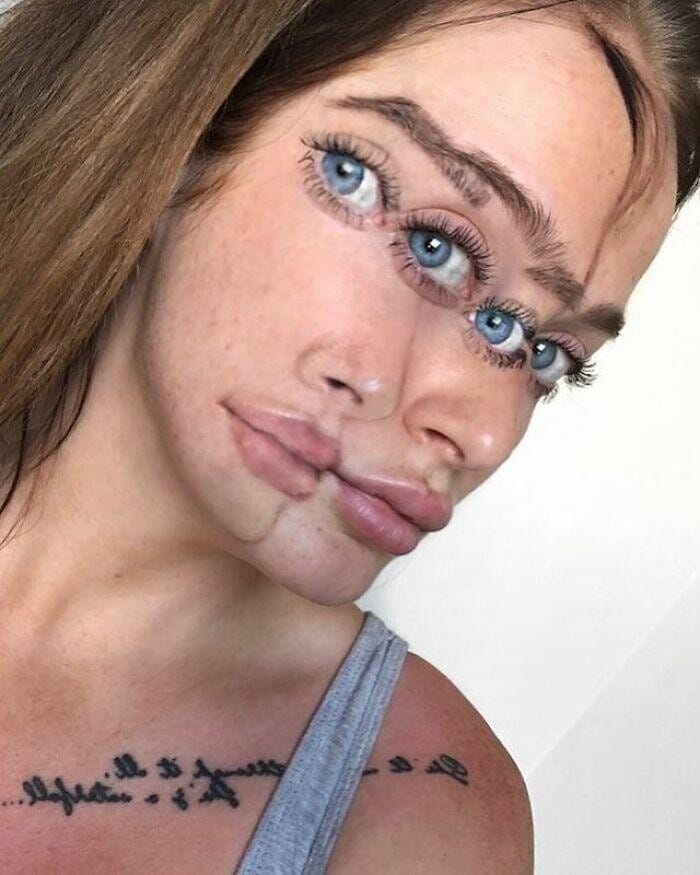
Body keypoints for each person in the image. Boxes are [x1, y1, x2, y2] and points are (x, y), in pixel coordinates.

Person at [0, 0, 697, 871]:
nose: (485, 432)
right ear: (190, 120)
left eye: (539, 350)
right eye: (435, 244)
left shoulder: (420, 821)